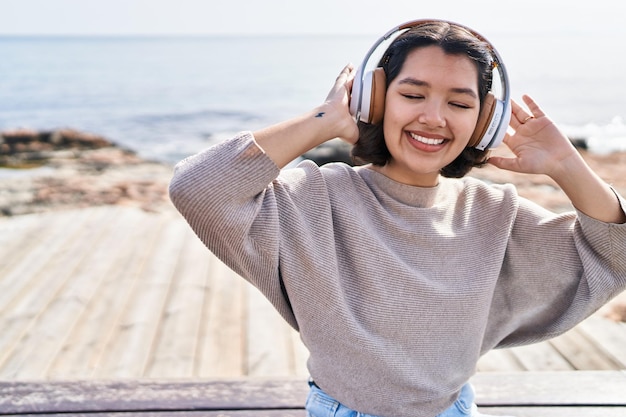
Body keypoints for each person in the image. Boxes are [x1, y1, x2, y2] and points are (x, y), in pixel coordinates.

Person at [169, 20, 626, 417]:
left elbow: (615, 253)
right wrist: (324, 119)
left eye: (460, 104)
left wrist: (567, 165)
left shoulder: (495, 215)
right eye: (412, 94)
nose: (433, 118)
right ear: (375, 99)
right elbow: (196, 188)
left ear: (484, 122)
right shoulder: (316, 199)